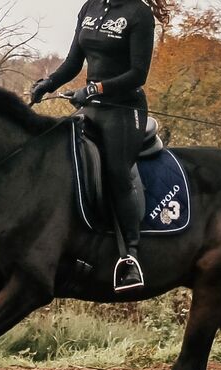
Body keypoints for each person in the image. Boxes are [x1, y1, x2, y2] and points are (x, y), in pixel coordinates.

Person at [30, 0, 170, 292]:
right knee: (65, 159)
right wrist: (48, 83)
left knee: (117, 170)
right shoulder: (90, 7)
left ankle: (131, 256)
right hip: (92, 106)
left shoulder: (138, 14)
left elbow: (137, 73)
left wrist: (94, 88)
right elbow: (73, 62)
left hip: (124, 108)